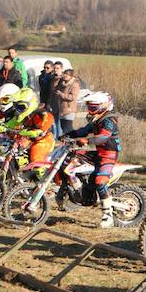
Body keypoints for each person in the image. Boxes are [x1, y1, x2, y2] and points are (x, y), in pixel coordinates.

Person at [61, 91, 121, 228]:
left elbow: (103, 137)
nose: (90, 111)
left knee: (100, 181)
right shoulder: (96, 120)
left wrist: (88, 141)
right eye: (89, 107)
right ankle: (77, 191)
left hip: (109, 153)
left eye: (93, 108)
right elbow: (82, 131)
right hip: (98, 152)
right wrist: (67, 135)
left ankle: (108, 215)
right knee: (71, 157)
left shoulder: (109, 121)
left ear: (103, 107)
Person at [0, 87, 55, 181]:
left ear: (30, 104)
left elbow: (49, 121)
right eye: (16, 106)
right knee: (12, 152)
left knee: (36, 154)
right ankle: (11, 180)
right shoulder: (22, 115)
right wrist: (0, 127)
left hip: (44, 140)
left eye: (21, 107)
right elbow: (12, 123)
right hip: (27, 139)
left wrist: (37, 131)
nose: (18, 109)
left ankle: (44, 183)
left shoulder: (42, 114)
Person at [55, 68, 80, 134]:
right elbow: (54, 88)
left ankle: (74, 141)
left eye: (67, 74)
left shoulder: (74, 84)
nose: (65, 75)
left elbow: (73, 97)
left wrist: (62, 95)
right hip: (62, 109)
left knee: (68, 128)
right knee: (63, 128)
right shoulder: (62, 83)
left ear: (71, 76)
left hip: (69, 110)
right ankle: (66, 143)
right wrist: (57, 80)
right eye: (64, 74)